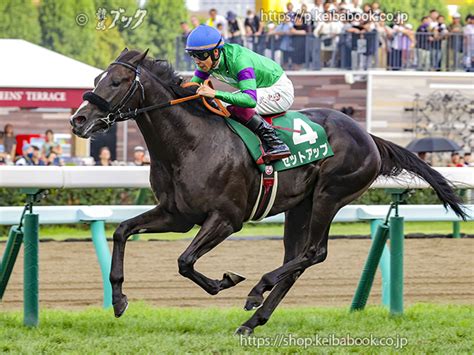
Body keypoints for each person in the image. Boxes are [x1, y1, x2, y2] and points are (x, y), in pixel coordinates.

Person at [186, 24, 292, 161]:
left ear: (216, 52)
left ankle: (275, 143)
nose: (197, 61)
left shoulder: (239, 60)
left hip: (280, 90)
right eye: (193, 56)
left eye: (200, 56)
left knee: (230, 104)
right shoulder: (208, 62)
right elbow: (192, 88)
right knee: (218, 104)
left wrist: (214, 93)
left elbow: (249, 100)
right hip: (261, 89)